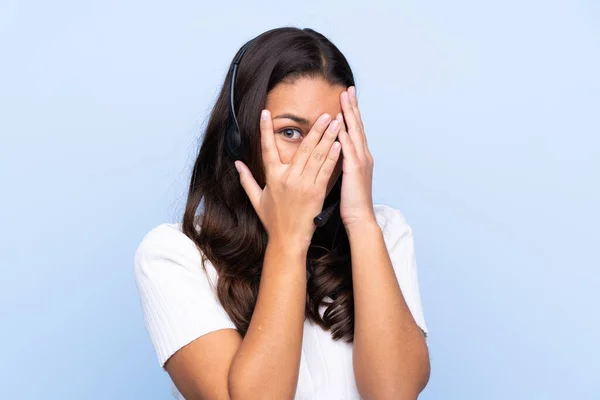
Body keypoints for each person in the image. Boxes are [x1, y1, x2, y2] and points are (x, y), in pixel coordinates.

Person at [134, 26, 430, 400]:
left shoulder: (384, 232)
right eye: (290, 132)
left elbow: (395, 393)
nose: (316, 154)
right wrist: (289, 239)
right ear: (238, 137)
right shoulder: (174, 255)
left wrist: (361, 222)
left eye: (333, 136)